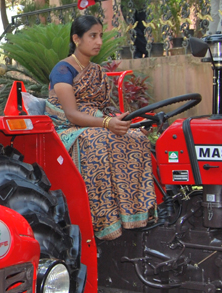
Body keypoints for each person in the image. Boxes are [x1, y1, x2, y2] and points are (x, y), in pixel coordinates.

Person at [45, 15, 156, 241]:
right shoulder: (63, 70)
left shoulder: (97, 71)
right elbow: (72, 114)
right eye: (92, 36)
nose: (98, 41)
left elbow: (107, 111)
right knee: (98, 141)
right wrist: (107, 124)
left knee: (137, 139)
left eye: (101, 36)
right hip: (67, 128)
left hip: (95, 123)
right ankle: (103, 220)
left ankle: (132, 214)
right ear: (76, 39)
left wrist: (131, 124)